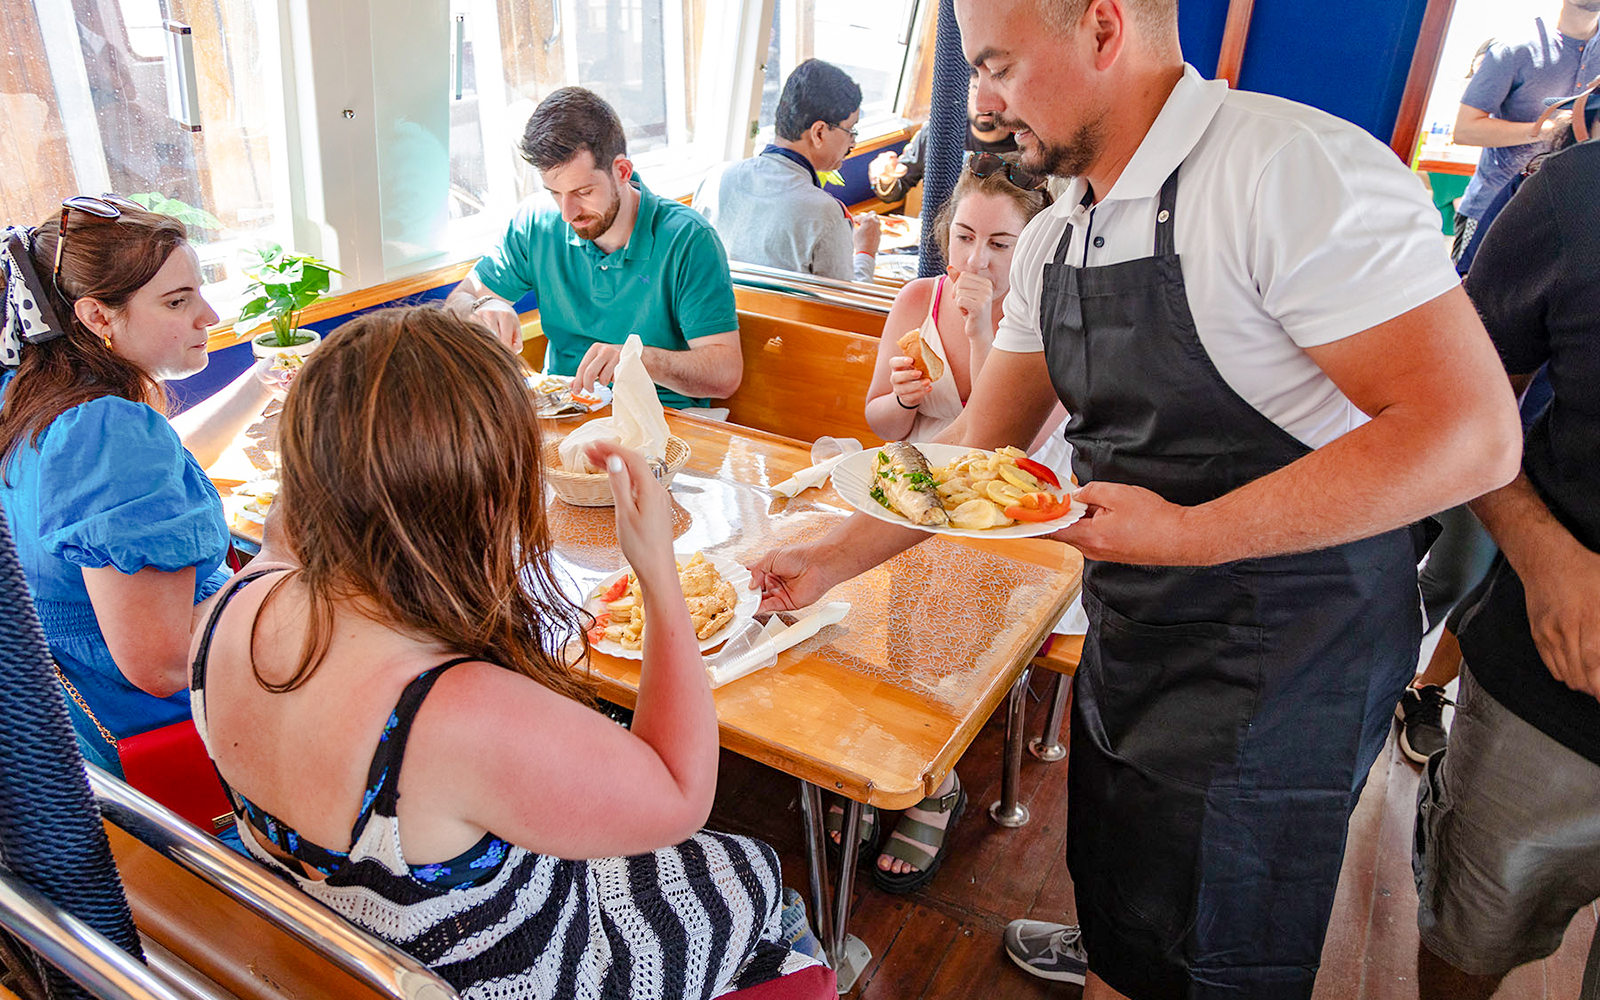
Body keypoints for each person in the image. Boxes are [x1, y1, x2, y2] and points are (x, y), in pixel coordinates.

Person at [748, 1, 1523, 996]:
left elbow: (1470, 432)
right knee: (1125, 903)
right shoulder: (1058, 231)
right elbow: (979, 445)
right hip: (1138, 623)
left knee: (1211, 955)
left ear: (1103, 29)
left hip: (1285, 659)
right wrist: (831, 555)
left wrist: (1193, 534)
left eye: (998, 67)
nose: (981, 105)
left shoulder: (1287, 173)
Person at [191, 306, 825, 999]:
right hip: (503, 975)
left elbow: (286, 530)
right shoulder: (453, 711)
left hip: (341, 937)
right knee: (757, 870)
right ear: (490, 502)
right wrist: (657, 574)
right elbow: (680, 796)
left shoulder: (226, 610)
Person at [1412, 94, 1600, 1000]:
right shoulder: (1572, 197)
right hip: (1555, 687)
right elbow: (1461, 403)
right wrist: (1544, 554)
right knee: (1470, 935)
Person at [0, 198, 278, 776]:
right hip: (168, 725)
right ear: (97, 316)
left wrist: (260, 384)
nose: (209, 316)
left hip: (71, 723)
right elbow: (165, 664)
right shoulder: (109, 434)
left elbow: (144, 483)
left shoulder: (36, 395)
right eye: (178, 301)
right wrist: (286, 556)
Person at [448, 87, 742, 410]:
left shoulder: (689, 239)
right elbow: (457, 302)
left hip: (661, 419)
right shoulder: (534, 222)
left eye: (583, 192)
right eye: (555, 193)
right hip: (562, 412)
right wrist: (483, 307)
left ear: (622, 172)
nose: (567, 213)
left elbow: (725, 375)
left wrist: (636, 359)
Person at [693, 59, 882, 284]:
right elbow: (847, 303)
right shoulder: (826, 214)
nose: (853, 142)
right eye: (850, 130)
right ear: (819, 132)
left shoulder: (714, 179)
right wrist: (866, 252)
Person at [1447, 0, 1600, 264]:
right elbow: (1465, 129)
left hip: (1569, 218)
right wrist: (1549, 130)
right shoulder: (1512, 48)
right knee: (1470, 288)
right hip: (1492, 211)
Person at [868, 69, 1019, 205]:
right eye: (975, 90)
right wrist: (886, 177)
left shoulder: (1024, 144)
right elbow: (895, 191)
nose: (983, 104)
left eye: (993, 92)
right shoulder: (938, 133)